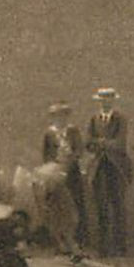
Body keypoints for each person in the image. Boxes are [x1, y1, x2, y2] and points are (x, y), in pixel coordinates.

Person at [86, 87, 132, 257]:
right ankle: (103, 248)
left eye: (108, 100)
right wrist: (105, 143)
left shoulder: (121, 119)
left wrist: (100, 142)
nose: (105, 103)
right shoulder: (93, 119)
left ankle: (121, 246)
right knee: (101, 206)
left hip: (117, 167)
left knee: (118, 205)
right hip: (98, 167)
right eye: (102, 100)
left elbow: (120, 143)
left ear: (113, 101)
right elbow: (88, 143)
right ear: (98, 102)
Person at [42, 101, 88, 251]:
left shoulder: (72, 131)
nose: (60, 119)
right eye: (56, 116)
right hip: (55, 173)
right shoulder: (49, 133)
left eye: (63, 116)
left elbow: (79, 150)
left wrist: (69, 160)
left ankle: (78, 241)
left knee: (76, 204)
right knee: (56, 206)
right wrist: (53, 168)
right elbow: (46, 155)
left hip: (72, 171)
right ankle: (60, 242)